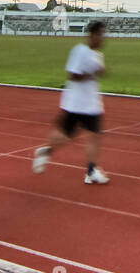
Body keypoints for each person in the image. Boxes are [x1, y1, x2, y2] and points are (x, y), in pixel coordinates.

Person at [32, 21, 110, 184]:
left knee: (94, 136)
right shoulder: (80, 51)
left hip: (91, 104)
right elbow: (73, 75)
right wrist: (92, 73)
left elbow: (97, 74)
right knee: (65, 135)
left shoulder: (98, 56)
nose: (103, 39)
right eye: (101, 35)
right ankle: (46, 151)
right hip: (76, 103)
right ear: (92, 35)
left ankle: (91, 171)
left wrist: (99, 72)